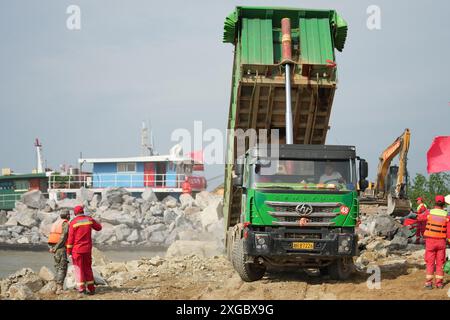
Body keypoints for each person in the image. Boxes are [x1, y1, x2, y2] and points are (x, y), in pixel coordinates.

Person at [66, 205, 102, 295]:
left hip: (77, 250)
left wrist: (68, 251)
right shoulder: (89, 219)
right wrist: (92, 219)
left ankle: (82, 289)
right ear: (83, 211)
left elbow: (70, 239)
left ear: (75, 213)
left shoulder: (73, 222)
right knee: (87, 268)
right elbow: (99, 228)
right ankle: (91, 289)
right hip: (87, 249)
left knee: (79, 269)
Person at [417, 195, 450, 289]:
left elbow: (419, 218)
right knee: (440, 262)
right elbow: (449, 232)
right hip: (441, 242)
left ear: (435, 202)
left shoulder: (429, 212)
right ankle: (439, 284)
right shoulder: (446, 215)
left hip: (430, 241)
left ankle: (428, 283)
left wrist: (415, 216)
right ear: (444, 204)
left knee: (430, 262)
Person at [47, 209, 70, 294]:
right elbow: (63, 237)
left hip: (53, 247)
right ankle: (59, 289)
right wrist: (56, 247)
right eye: (69, 215)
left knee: (57, 266)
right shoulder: (65, 223)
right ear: (67, 216)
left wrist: (51, 247)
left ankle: (56, 287)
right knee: (62, 267)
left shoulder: (56, 223)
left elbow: (51, 236)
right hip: (60, 248)